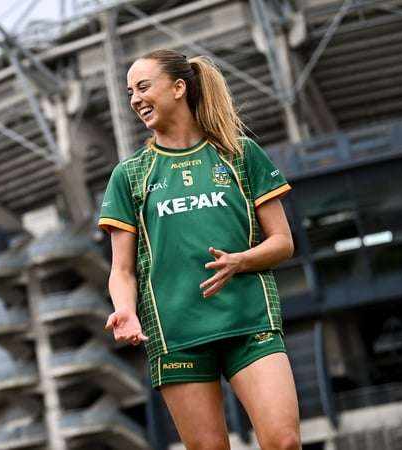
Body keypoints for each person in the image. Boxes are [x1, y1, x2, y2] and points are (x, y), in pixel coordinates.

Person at [98, 49, 301, 450]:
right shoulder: (129, 174)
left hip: (249, 321)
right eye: (130, 92)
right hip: (175, 335)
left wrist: (241, 261)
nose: (135, 99)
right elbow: (122, 270)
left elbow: (283, 242)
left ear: (178, 88)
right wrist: (125, 310)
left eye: (143, 87)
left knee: (285, 441)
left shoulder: (240, 153)